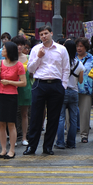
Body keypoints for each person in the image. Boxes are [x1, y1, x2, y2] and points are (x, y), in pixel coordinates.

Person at [24, 25, 70, 156]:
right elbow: (31, 69)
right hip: (40, 84)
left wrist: (63, 86)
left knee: (53, 117)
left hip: (56, 85)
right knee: (36, 117)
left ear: (51, 33)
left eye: (46, 33)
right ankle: (31, 147)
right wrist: (38, 57)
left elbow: (66, 69)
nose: (44, 36)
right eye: (41, 34)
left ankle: (48, 146)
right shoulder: (36, 49)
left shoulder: (61, 49)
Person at [0, 42, 27, 159]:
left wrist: (10, 82)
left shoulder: (19, 65)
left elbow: (23, 82)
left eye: (4, 49)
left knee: (11, 124)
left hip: (11, 96)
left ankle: (12, 150)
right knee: (1, 123)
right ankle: (3, 150)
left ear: (10, 51)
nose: (2, 50)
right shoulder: (0, 63)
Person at [54, 40, 85, 150]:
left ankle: (60, 142)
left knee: (61, 118)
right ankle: (71, 143)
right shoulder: (79, 63)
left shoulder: (61, 63)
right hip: (74, 92)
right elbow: (80, 81)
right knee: (73, 119)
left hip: (62, 91)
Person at [75, 37, 93, 144]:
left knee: (85, 113)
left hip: (86, 89)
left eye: (81, 46)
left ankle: (84, 135)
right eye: (77, 46)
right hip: (72, 89)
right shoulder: (72, 58)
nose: (79, 48)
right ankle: (71, 134)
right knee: (70, 114)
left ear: (86, 47)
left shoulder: (92, 59)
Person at [12, 35, 32, 146]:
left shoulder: (28, 58)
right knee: (13, 113)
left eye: (21, 45)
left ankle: (24, 137)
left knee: (25, 113)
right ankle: (13, 137)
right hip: (12, 88)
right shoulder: (10, 58)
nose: (19, 47)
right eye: (17, 45)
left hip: (25, 87)